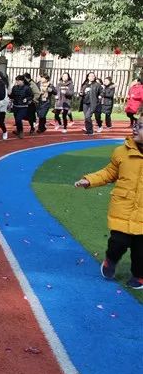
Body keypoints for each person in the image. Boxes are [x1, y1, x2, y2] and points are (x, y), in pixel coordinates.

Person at [74, 119, 143, 290]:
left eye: (141, 126)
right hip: (123, 208)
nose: (135, 128)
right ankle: (110, 260)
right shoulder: (121, 152)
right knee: (117, 243)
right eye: (136, 124)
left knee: (141, 251)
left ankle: (139, 275)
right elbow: (109, 172)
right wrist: (89, 180)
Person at [9, 75, 33, 139]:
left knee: (18, 119)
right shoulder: (14, 87)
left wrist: (26, 99)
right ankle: (18, 130)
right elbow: (12, 96)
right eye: (16, 80)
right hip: (15, 106)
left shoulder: (27, 88)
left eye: (18, 80)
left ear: (22, 81)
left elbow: (31, 96)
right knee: (16, 120)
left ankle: (21, 132)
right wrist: (9, 94)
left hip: (23, 106)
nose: (17, 82)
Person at [80, 71, 102, 136]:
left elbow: (102, 91)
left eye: (93, 76)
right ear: (88, 77)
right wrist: (81, 93)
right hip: (85, 103)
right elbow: (81, 92)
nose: (92, 77)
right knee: (86, 117)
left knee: (88, 116)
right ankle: (88, 130)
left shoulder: (97, 85)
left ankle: (90, 131)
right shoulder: (85, 84)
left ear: (94, 77)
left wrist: (100, 96)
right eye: (90, 76)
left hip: (92, 103)